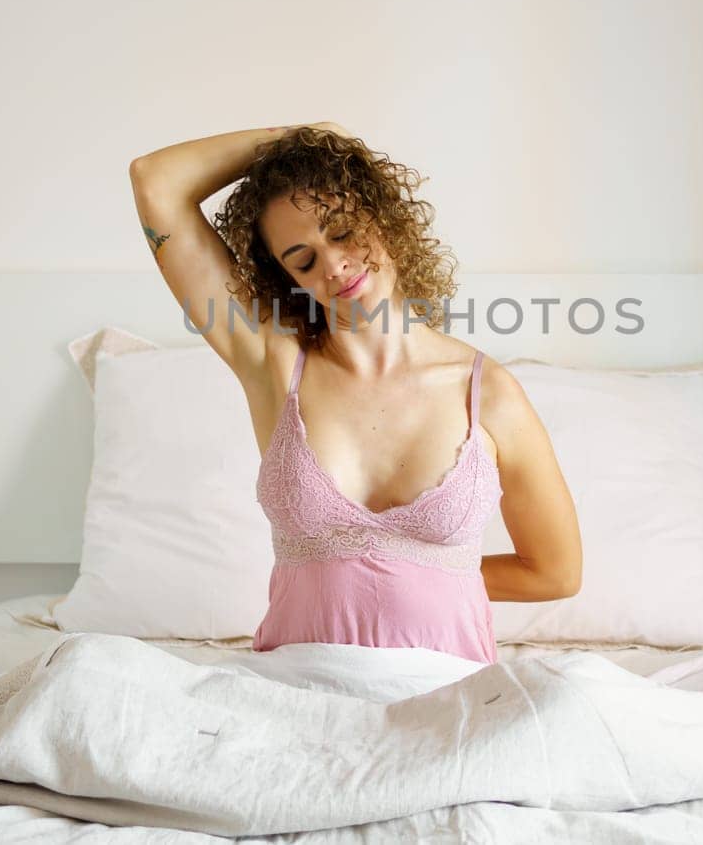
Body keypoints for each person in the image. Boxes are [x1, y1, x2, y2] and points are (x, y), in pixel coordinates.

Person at [127, 122, 581, 664]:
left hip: (442, 703)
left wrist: (429, 574)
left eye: (341, 231)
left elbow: (556, 572)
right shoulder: (272, 360)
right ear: (287, 280)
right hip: (296, 696)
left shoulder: (489, 394)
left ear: (382, 215)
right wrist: (305, 135)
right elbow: (155, 181)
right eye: (303, 259)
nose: (334, 264)